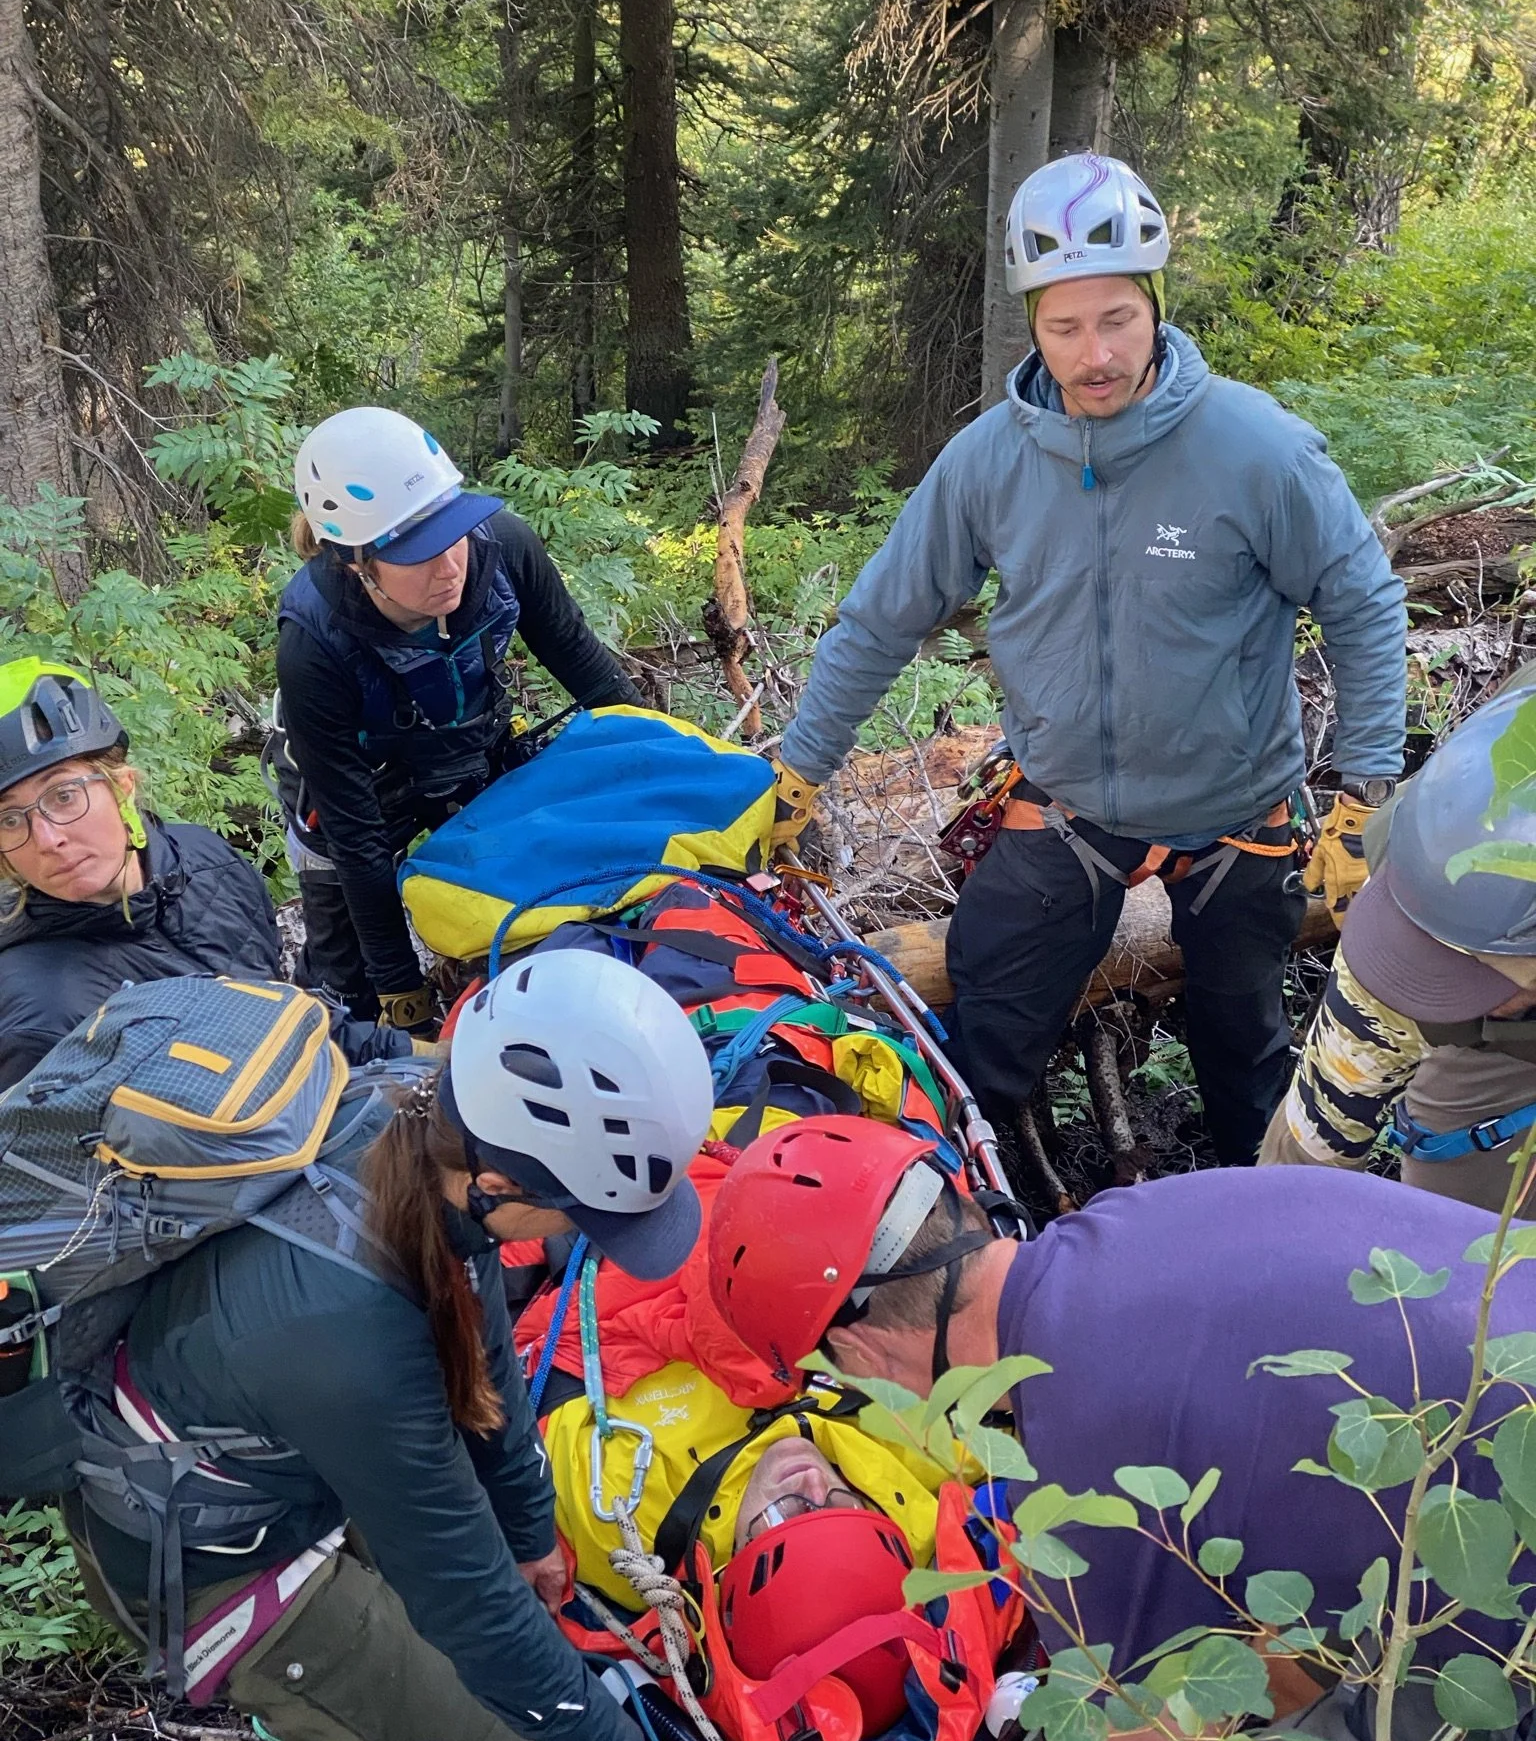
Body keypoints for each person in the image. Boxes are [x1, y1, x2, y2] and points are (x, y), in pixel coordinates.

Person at [64, 951, 729, 1741]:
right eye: (581, 1214)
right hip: (199, 1558)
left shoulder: (406, 1112)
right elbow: (466, 1600)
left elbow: (481, 1341)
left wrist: (531, 1532)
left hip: (250, 1469)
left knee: (413, 1638)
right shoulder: (348, 1337)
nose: (585, 1236)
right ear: (497, 1184)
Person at [707, 1116, 1536, 1741]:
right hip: (1503, 1407)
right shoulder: (1145, 1215)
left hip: (1518, 1627)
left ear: (859, 1351)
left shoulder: (1085, 1466)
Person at [769, 152, 1407, 1163]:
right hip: (1064, 807)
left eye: (1117, 318)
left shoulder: (1257, 451)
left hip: (1238, 817)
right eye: (1064, 326)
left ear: (1156, 305)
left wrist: (1367, 790)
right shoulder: (989, 461)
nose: (1095, 353)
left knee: (1245, 1057)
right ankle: (984, 1209)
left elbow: (1361, 600)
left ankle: (1260, 1217)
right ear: (1032, 324)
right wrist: (800, 770)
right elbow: (883, 619)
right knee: (985, 1038)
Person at [278, 407, 639, 1036]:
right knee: (350, 991)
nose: (449, 565)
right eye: (416, 553)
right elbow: (356, 839)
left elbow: (594, 678)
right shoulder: (314, 642)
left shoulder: (505, 547)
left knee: (529, 910)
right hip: (358, 784)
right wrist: (402, 997)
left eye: (455, 532)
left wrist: (676, 774)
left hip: (473, 747)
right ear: (355, 561)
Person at [1263, 676, 1536, 1214]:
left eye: (1474, 976)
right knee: (1454, 1221)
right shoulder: (1421, 875)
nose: (1429, 981)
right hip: (1502, 1041)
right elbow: (1312, 1145)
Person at [0, 658, 282, 1089]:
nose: (47, 839)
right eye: (10, 819)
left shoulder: (208, 859)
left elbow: (286, 1011)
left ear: (123, 787)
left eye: (64, 796)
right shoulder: (43, 1017)